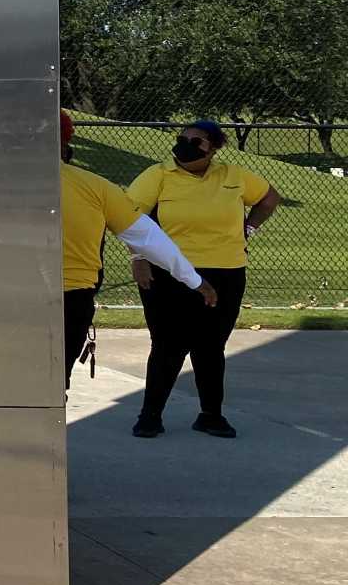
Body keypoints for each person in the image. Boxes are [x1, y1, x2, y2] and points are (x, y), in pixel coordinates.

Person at [125, 118, 282, 438]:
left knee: (211, 346)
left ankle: (211, 415)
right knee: (168, 345)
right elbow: (129, 217)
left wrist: (248, 229)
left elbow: (269, 198)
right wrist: (138, 258)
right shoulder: (158, 175)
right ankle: (150, 415)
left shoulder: (233, 176)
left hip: (226, 270)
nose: (185, 145)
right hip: (169, 273)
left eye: (196, 142)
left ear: (213, 149)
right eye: (182, 139)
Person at [58, 111, 214, 389]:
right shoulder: (95, 187)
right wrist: (195, 280)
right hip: (70, 299)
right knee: (53, 387)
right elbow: (149, 239)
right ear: (65, 144)